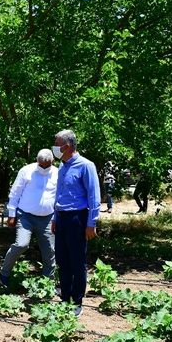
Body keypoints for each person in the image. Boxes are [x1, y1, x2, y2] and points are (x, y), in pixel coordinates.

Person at [51, 130, 101, 317]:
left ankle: (76, 301)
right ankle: (65, 298)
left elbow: (94, 197)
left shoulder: (85, 166)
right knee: (63, 261)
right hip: (62, 218)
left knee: (77, 262)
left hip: (77, 219)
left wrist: (91, 223)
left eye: (57, 143)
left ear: (67, 146)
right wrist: (55, 218)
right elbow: (59, 195)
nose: (55, 147)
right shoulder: (62, 166)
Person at [0, 149, 58, 288]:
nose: (43, 168)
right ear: (37, 160)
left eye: (47, 165)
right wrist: (11, 215)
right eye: (41, 165)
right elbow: (15, 194)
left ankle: (49, 284)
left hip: (47, 218)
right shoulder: (26, 171)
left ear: (53, 161)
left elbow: (59, 196)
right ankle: (4, 274)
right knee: (21, 244)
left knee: (49, 250)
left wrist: (56, 217)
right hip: (26, 216)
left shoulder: (58, 173)